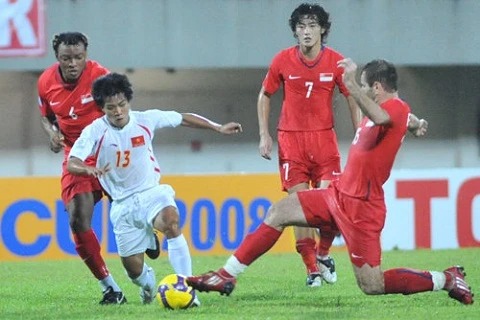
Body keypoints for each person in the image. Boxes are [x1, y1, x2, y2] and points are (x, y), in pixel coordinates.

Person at [186, 58, 474, 305]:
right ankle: (225, 276)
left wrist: (349, 83)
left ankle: (446, 279)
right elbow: (399, 119)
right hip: (338, 194)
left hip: (362, 208)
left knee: (372, 285)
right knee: (279, 212)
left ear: (376, 87)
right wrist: (416, 123)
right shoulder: (395, 111)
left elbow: (386, 116)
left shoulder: (392, 107)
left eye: (363, 85)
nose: (358, 89)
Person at [66, 73, 243, 304]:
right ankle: (148, 283)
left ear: (129, 102)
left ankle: (187, 288)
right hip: (122, 205)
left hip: (151, 193)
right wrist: (86, 170)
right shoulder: (94, 131)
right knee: (134, 271)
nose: (118, 111)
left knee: (171, 221)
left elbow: (182, 118)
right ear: (102, 108)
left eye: (122, 105)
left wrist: (217, 127)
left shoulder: (145, 119)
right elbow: (72, 161)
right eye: (111, 108)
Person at [257, 3, 361, 287]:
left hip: (324, 141)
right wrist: (264, 135)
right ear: (295, 31)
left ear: (323, 29)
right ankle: (311, 269)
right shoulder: (282, 60)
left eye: (312, 25)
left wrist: (358, 135)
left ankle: (324, 253)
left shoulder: (336, 62)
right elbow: (265, 95)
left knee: (329, 205)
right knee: (300, 209)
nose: (306, 31)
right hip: (291, 141)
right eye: (301, 26)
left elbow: (353, 97)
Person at [37, 32, 130, 304]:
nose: (73, 63)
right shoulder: (45, 82)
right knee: (77, 219)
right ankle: (110, 287)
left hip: (108, 152)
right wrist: (52, 133)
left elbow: (120, 111)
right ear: (57, 58)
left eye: (78, 57)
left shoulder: (101, 76)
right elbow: (46, 117)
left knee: (131, 212)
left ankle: (146, 238)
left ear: (86, 55)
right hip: (75, 157)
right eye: (66, 58)